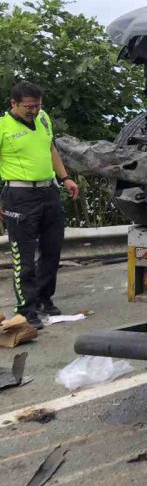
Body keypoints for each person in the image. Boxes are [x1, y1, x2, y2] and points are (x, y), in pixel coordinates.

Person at [0, 82, 79, 330]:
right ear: (13, 104)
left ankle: (45, 298)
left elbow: (50, 147)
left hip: (49, 191)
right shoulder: (3, 126)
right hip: (19, 194)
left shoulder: (43, 118)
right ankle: (26, 309)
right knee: (23, 256)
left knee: (52, 250)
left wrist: (65, 177)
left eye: (37, 105)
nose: (34, 111)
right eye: (28, 107)